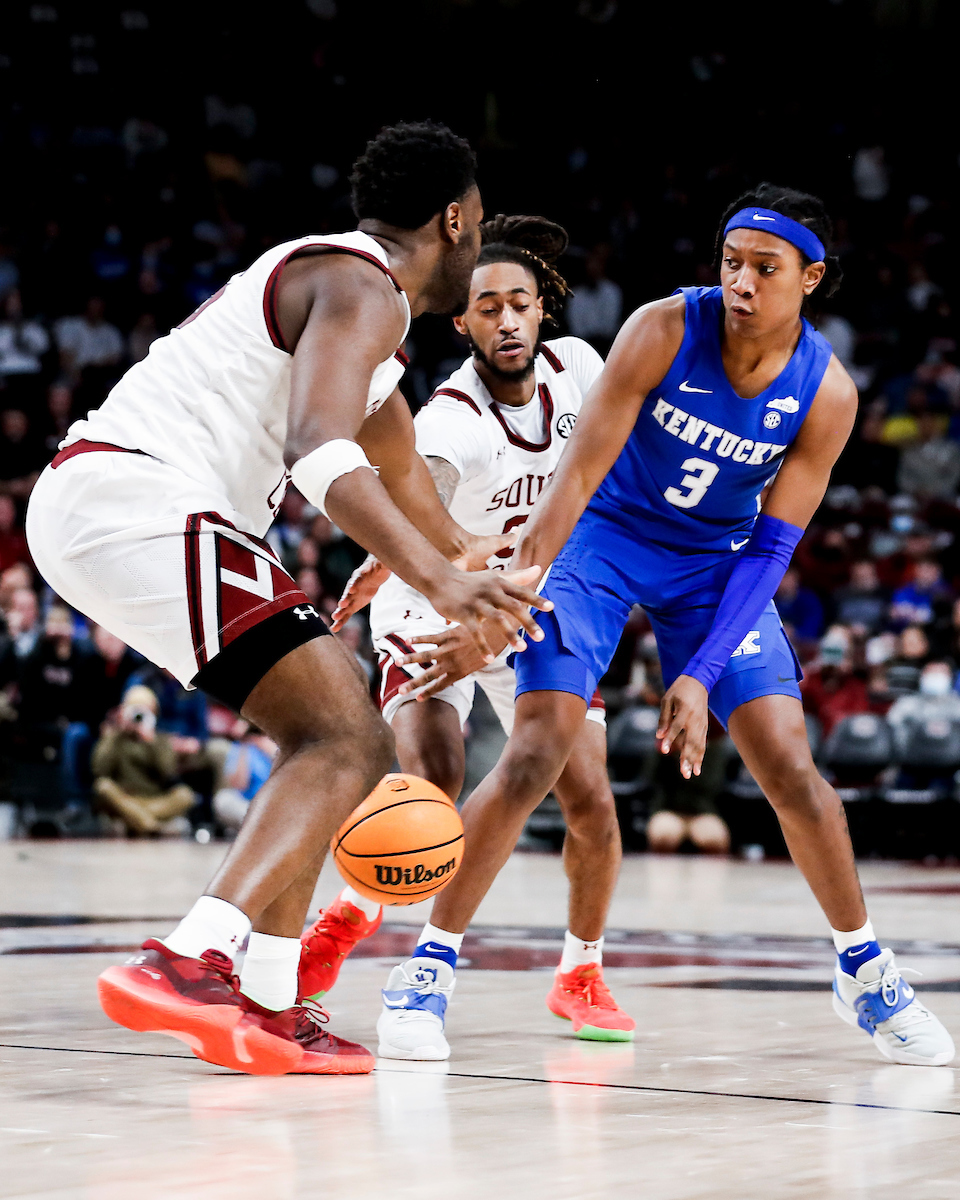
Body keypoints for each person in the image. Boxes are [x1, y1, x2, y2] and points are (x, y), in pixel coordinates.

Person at [25, 121, 550, 1077]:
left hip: (116, 507)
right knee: (350, 738)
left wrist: (469, 551)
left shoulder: (366, 332)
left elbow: (396, 469)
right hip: (139, 495)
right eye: (475, 228)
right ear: (455, 218)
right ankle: (190, 959)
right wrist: (440, 583)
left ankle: (268, 1004)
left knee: (327, 740)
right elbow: (320, 448)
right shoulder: (363, 288)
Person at [401, 184, 954, 1067]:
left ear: (810, 279)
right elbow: (573, 483)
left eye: (764, 269)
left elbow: (772, 550)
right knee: (538, 745)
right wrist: (511, 601)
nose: (741, 282)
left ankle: (864, 968)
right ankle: (428, 967)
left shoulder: (829, 393)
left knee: (792, 768)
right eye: (731, 263)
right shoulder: (662, 329)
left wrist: (695, 673)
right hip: (604, 540)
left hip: (716, 564)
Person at [303, 216, 633, 1056]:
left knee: (591, 797)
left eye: (520, 303)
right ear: (465, 324)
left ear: (541, 312)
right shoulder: (452, 417)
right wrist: (389, 561)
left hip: (525, 600)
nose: (507, 320)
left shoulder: (582, 370)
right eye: (487, 308)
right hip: (431, 599)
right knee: (433, 781)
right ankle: (352, 913)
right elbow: (424, 506)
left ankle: (581, 972)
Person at [92, 684, 197, 836]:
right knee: (103, 786)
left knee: (185, 794)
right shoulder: (116, 738)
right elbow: (100, 769)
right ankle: (152, 825)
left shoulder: (160, 740)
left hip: (154, 800)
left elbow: (168, 771)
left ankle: (137, 822)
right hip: (126, 799)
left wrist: (151, 741)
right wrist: (116, 732)